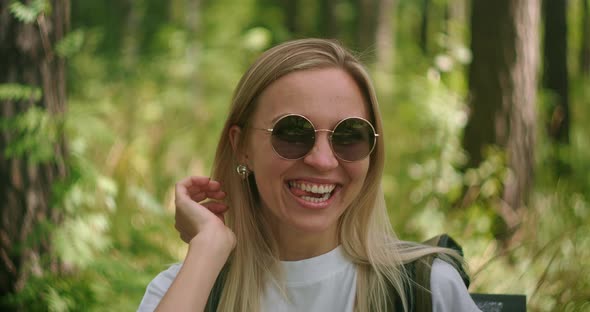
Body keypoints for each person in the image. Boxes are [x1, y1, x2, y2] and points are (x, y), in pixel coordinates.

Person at [138, 38, 481, 312]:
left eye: (349, 135)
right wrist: (210, 247)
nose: (322, 160)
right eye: (292, 132)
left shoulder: (426, 289)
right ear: (241, 146)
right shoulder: (186, 290)